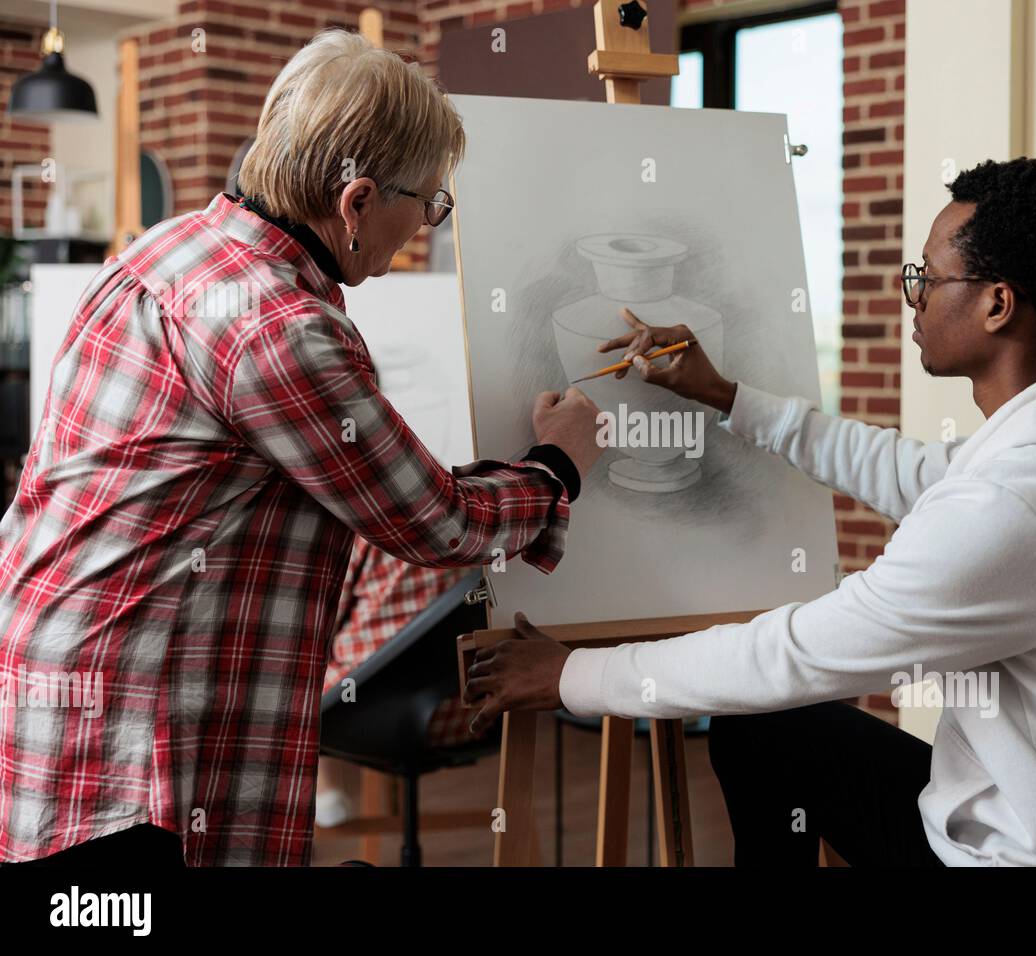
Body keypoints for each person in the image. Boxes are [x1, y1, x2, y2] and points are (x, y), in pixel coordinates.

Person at [465, 157, 1036, 867]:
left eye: (928, 276)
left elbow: (786, 660)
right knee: (770, 736)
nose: (914, 294)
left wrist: (570, 675)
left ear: (997, 304)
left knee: (766, 712)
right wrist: (724, 395)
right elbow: (914, 470)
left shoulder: (1017, 506)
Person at [0, 30, 600, 867]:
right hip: (141, 725)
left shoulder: (165, 250)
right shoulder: (277, 327)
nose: (429, 223)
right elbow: (437, 524)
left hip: (63, 676)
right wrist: (558, 464)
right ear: (355, 204)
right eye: (428, 202)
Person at [315, 538, 483, 828]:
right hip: (476, 713)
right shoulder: (488, 511)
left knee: (286, 671)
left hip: (365, 714)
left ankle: (320, 790)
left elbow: (317, 624)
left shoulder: (360, 521)